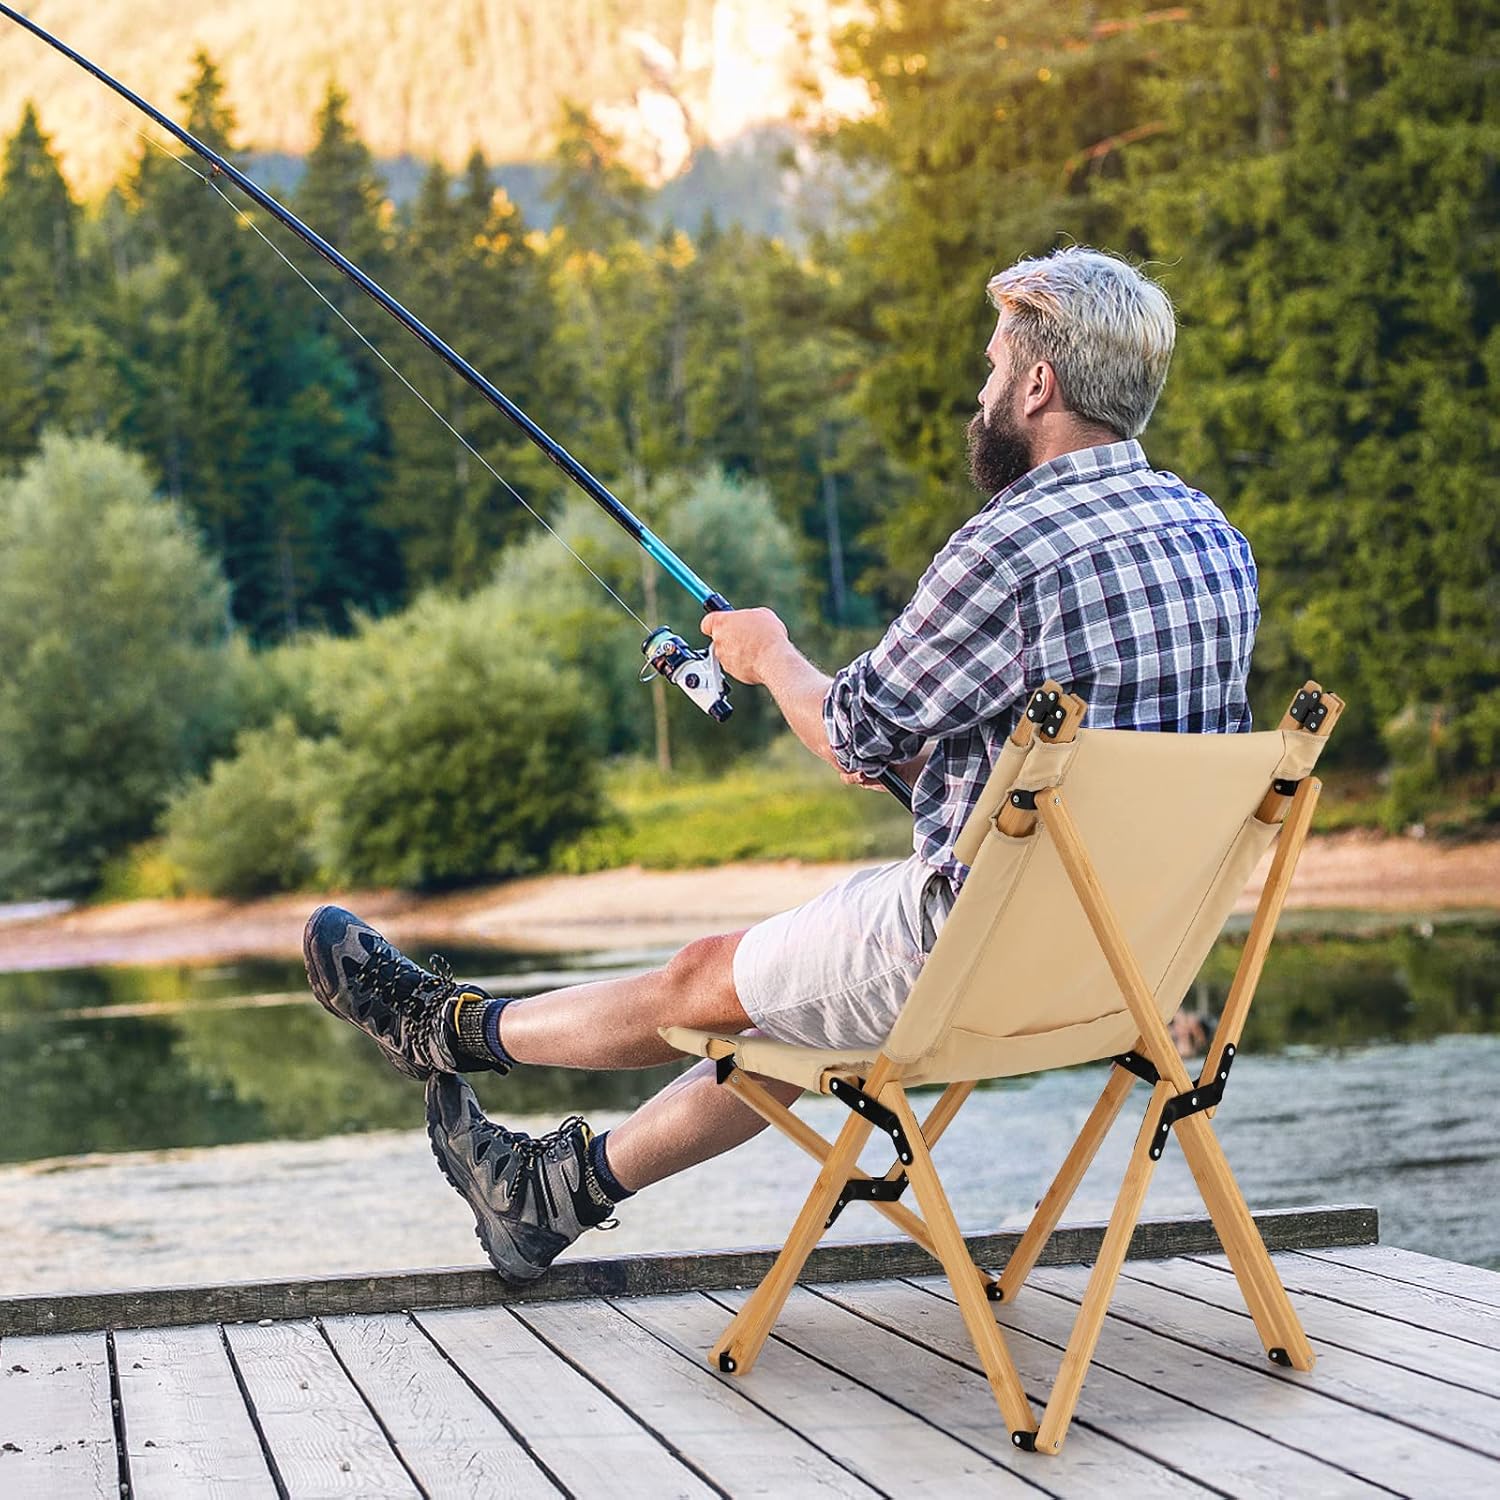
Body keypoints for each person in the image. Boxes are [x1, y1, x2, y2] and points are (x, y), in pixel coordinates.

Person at [303, 245, 1260, 1282]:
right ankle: (551, 1196)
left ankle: (443, 1029)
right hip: (1132, 968)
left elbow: (850, 728)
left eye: (992, 370)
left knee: (707, 978)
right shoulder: (1213, 537)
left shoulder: (1008, 545)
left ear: (1039, 385)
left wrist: (768, 657)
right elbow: (1135, 746)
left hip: (979, 956)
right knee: (797, 1009)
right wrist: (942, 764)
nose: (979, 393)